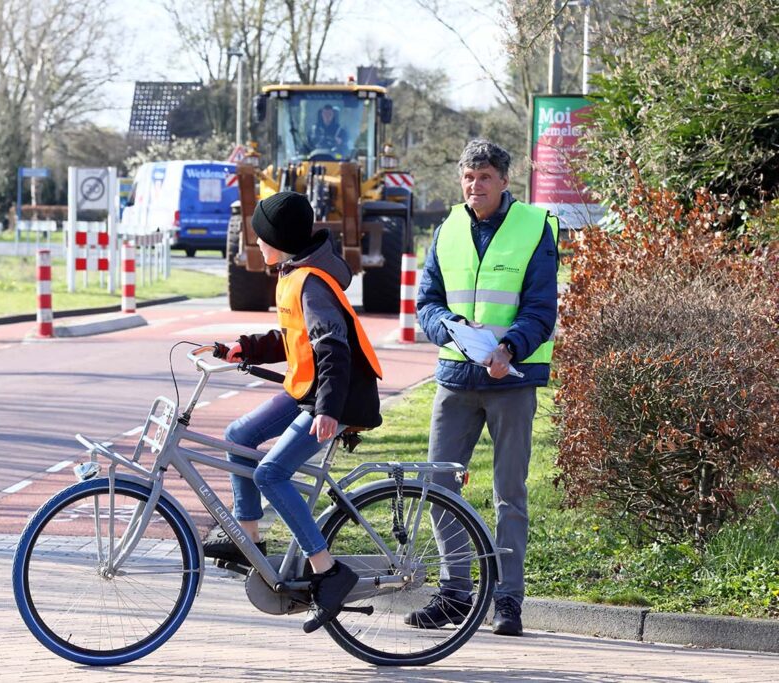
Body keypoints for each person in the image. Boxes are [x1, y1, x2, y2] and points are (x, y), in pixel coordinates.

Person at [201, 190, 384, 633]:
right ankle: (247, 538)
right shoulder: (292, 274)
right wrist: (241, 348)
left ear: (278, 239)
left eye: (260, 236)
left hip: (337, 396)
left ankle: (328, 571)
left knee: (270, 474)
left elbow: (333, 350)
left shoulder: (312, 283)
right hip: (311, 389)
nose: (256, 243)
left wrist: (327, 410)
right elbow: (292, 341)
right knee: (238, 435)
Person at [409, 139, 558, 636]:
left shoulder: (534, 227)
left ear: (504, 180)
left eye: (486, 177)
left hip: (511, 380)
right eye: (469, 177)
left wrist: (508, 349)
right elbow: (426, 301)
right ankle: (454, 594)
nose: (476, 186)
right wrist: (448, 324)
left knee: (508, 494)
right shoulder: (447, 229)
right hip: (456, 378)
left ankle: (508, 601)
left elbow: (541, 308)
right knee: (438, 486)